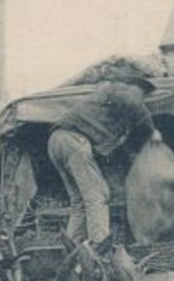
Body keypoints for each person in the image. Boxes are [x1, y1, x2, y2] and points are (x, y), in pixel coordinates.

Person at [46, 74, 157, 245]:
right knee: (98, 196)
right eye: (143, 94)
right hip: (74, 140)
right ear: (136, 87)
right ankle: (100, 249)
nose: (142, 98)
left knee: (79, 202)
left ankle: (72, 248)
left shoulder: (104, 95)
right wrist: (149, 131)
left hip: (56, 140)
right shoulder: (123, 92)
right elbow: (139, 113)